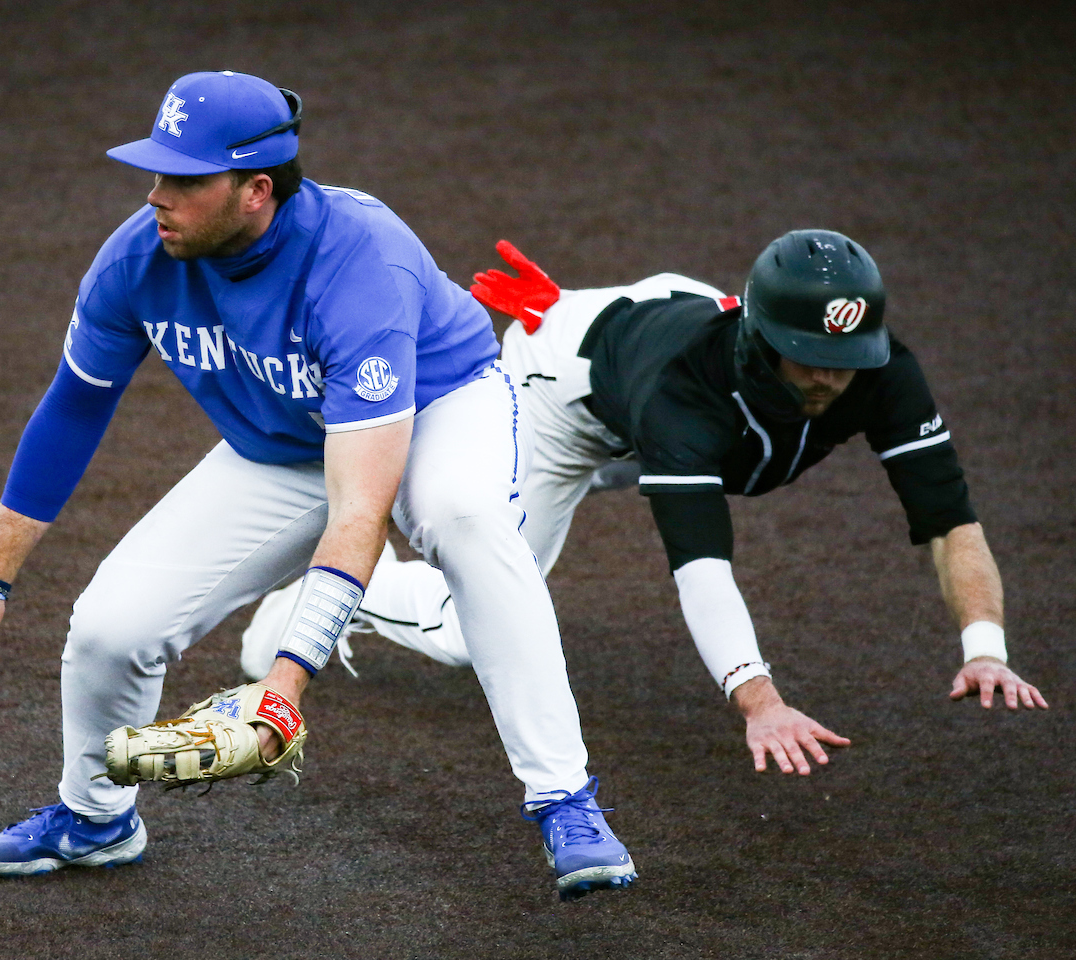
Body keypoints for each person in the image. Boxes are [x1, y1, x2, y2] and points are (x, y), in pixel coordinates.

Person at [0, 72, 635, 899]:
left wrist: (284, 685)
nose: (157, 196)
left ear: (257, 189)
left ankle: (563, 798)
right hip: (282, 442)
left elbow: (362, 508)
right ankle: (95, 820)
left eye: (184, 180)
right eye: (155, 173)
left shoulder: (357, 263)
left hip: (437, 406)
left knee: (464, 518)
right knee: (109, 629)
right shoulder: (138, 256)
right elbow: (73, 409)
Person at [242, 232, 1048, 777]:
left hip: (648, 346)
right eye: (807, 358)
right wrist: (758, 701)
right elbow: (701, 566)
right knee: (470, 628)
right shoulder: (686, 401)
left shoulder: (878, 371)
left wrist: (987, 647)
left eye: (846, 359)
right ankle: (322, 599)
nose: (828, 381)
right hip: (562, 398)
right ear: (763, 341)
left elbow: (949, 519)